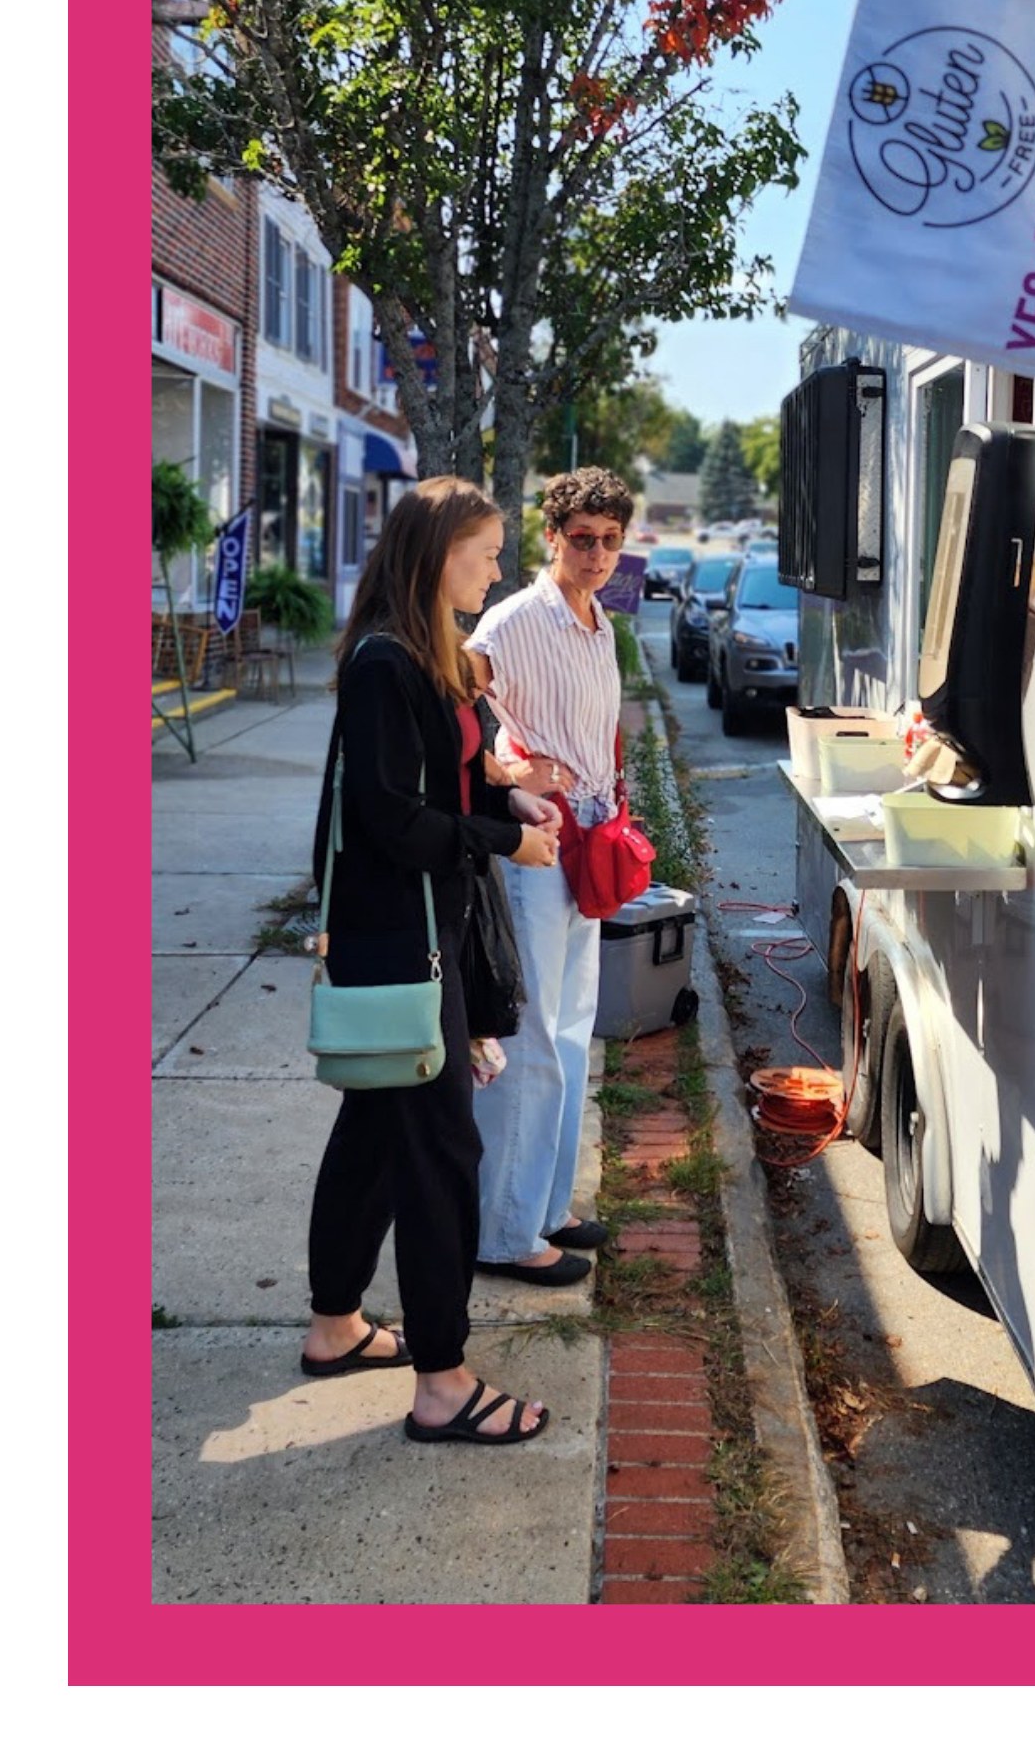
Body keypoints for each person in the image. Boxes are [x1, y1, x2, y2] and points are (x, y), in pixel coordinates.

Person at [300, 476, 566, 1445]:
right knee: (443, 1150)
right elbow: (390, 818)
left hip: (416, 932)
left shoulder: (429, 652)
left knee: (376, 1124)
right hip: (401, 940)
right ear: (437, 552)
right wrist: (500, 842)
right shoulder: (385, 661)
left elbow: (450, 778)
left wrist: (511, 805)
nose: (500, 568)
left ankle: (336, 1323)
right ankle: (443, 1381)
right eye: (487, 551)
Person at [465, 466, 634, 1286]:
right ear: (553, 536)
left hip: (591, 846)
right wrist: (505, 770)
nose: (597, 552)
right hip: (538, 850)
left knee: (570, 1033)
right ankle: (502, 1232)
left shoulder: (598, 620)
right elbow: (457, 707)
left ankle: (546, 1207)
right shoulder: (515, 619)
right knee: (528, 1039)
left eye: (609, 539)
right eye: (581, 538)